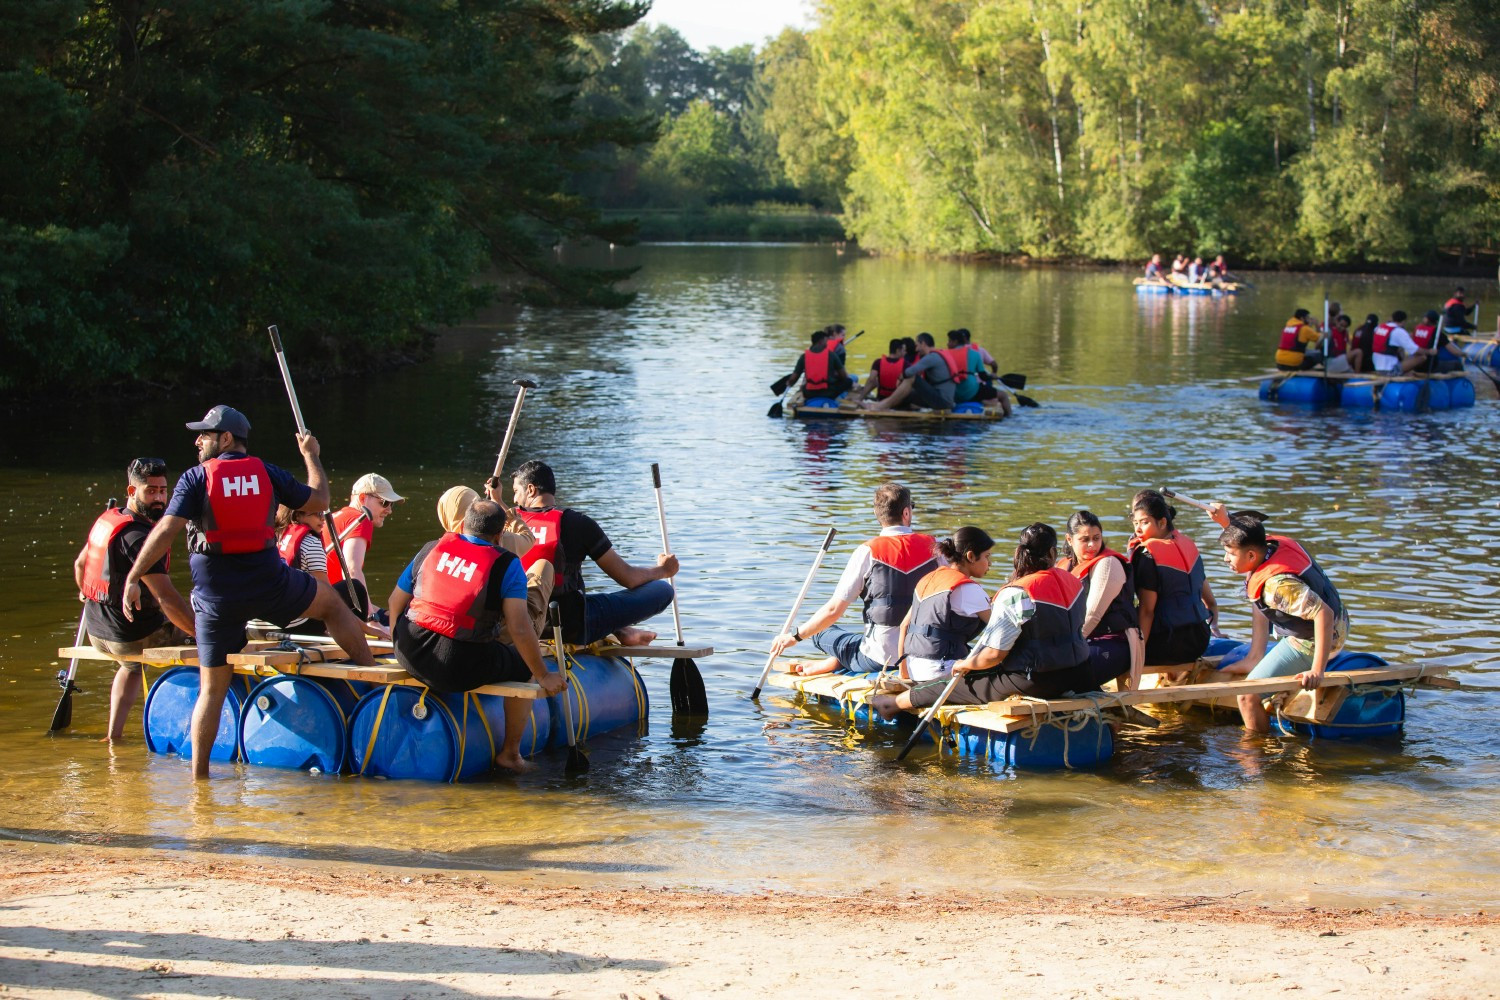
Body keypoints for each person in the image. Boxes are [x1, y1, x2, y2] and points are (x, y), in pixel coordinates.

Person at [121, 404, 375, 778]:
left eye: (204, 434)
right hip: (270, 585)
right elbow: (319, 500)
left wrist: (133, 576)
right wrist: (312, 457)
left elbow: (165, 531)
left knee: (211, 690)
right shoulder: (267, 473)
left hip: (216, 599)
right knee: (334, 605)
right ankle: (370, 689)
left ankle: (199, 783)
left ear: (225, 438)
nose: (198, 441)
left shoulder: (195, 478)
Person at [387, 500, 566, 771]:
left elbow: (394, 603)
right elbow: (519, 628)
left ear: (461, 526)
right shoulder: (507, 564)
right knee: (524, 666)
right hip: (459, 667)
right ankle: (511, 754)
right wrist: (543, 675)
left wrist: (398, 645)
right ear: (499, 536)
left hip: (408, 652)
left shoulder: (431, 548)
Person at [870, 522, 1096, 719]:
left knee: (955, 682)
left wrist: (963, 665)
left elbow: (993, 655)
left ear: (1019, 552)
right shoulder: (1075, 582)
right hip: (1079, 674)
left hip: (1036, 681)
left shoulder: (1016, 592)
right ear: (1053, 553)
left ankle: (892, 704)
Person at [73, 457, 195, 742]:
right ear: (131, 491)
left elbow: (81, 566)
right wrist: (199, 633)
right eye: (150, 491)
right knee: (207, 634)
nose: (159, 499)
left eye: (163, 491)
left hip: (97, 632)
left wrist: (88, 592)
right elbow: (166, 597)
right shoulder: (139, 537)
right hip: (130, 636)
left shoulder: (109, 519)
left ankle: (113, 736)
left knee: (130, 665)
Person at [768, 483, 936, 676]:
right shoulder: (937, 548)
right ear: (906, 513)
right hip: (925, 653)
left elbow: (833, 610)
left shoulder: (867, 552)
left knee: (820, 633)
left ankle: (838, 661)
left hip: (879, 660)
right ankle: (839, 659)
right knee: (857, 640)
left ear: (877, 513)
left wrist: (795, 637)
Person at [1207, 508, 1350, 733]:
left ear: (1251, 555)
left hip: (1316, 639)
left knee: (1246, 696)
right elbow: (1249, 536)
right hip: (1337, 621)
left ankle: (1256, 755)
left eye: (1230, 554)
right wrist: (1226, 522)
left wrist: (1317, 671)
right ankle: (1255, 656)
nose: (1226, 559)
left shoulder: (1278, 586)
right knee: (1253, 584)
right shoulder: (1273, 546)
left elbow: (1324, 614)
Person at [511, 460, 676, 646]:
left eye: (516, 491)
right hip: (569, 627)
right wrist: (663, 570)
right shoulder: (577, 523)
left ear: (531, 490)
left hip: (520, 622)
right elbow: (628, 578)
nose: (515, 500)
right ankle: (619, 628)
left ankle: (621, 630)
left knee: (580, 600)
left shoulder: (508, 524)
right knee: (663, 590)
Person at [439, 483, 550, 639]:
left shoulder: (437, 552)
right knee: (544, 566)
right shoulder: (503, 541)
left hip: (455, 632)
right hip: (503, 635)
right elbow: (528, 538)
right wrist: (508, 514)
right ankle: (536, 630)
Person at [893, 527, 994, 683]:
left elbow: (904, 625)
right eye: (987, 556)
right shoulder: (969, 588)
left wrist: (904, 673)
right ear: (971, 556)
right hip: (941, 671)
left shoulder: (928, 579)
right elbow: (1002, 627)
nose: (990, 563)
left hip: (914, 669)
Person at [1128, 489, 1216, 666]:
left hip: (1166, 645)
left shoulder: (1148, 555)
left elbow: (1147, 611)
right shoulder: (1189, 546)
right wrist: (1215, 629)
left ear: (1162, 522)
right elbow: (1211, 602)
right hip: (1200, 640)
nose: (1137, 529)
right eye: (1135, 522)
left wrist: (1138, 655)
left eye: (1144, 523)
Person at [1061, 510, 1142, 691]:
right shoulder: (1065, 565)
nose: (1092, 545)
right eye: (1084, 539)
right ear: (1069, 540)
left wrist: (1065, 648)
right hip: (1081, 641)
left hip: (1114, 641)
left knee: (1063, 675)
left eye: (1096, 538)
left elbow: (1093, 615)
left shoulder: (1108, 564)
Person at [324, 473, 404, 623]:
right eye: (384, 502)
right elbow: (351, 570)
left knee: (389, 616)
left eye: (391, 504)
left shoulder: (335, 517)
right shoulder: (360, 520)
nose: (389, 510)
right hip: (329, 608)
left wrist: (377, 611)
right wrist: (371, 618)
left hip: (323, 599)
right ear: (362, 499)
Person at [861, 333, 956, 412]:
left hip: (943, 402)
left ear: (923, 344)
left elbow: (910, 372)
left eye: (917, 345)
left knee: (911, 377)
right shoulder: (936, 354)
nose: (915, 350)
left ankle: (880, 406)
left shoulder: (932, 357)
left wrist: (900, 378)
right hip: (940, 398)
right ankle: (887, 406)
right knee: (907, 394)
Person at [787, 329, 853, 401]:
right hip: (829, 393)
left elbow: (793, 379)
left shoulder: (804, 356)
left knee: (803, 386)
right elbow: (843, 376)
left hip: (809, 393)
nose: (827, 344)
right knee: (849, 381)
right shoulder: (832, 355)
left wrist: (789, 383)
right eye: (826, 341)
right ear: (820, 341)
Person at [850, 339, 910, 403]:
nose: (905, 353)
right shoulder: (906, 365)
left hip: (881, 398)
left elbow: (871, 380)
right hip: (898, 400)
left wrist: (860, 398)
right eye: (903, 351)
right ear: (898, 351)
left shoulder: (878, 362)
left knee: (875, 381)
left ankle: (859, 399)